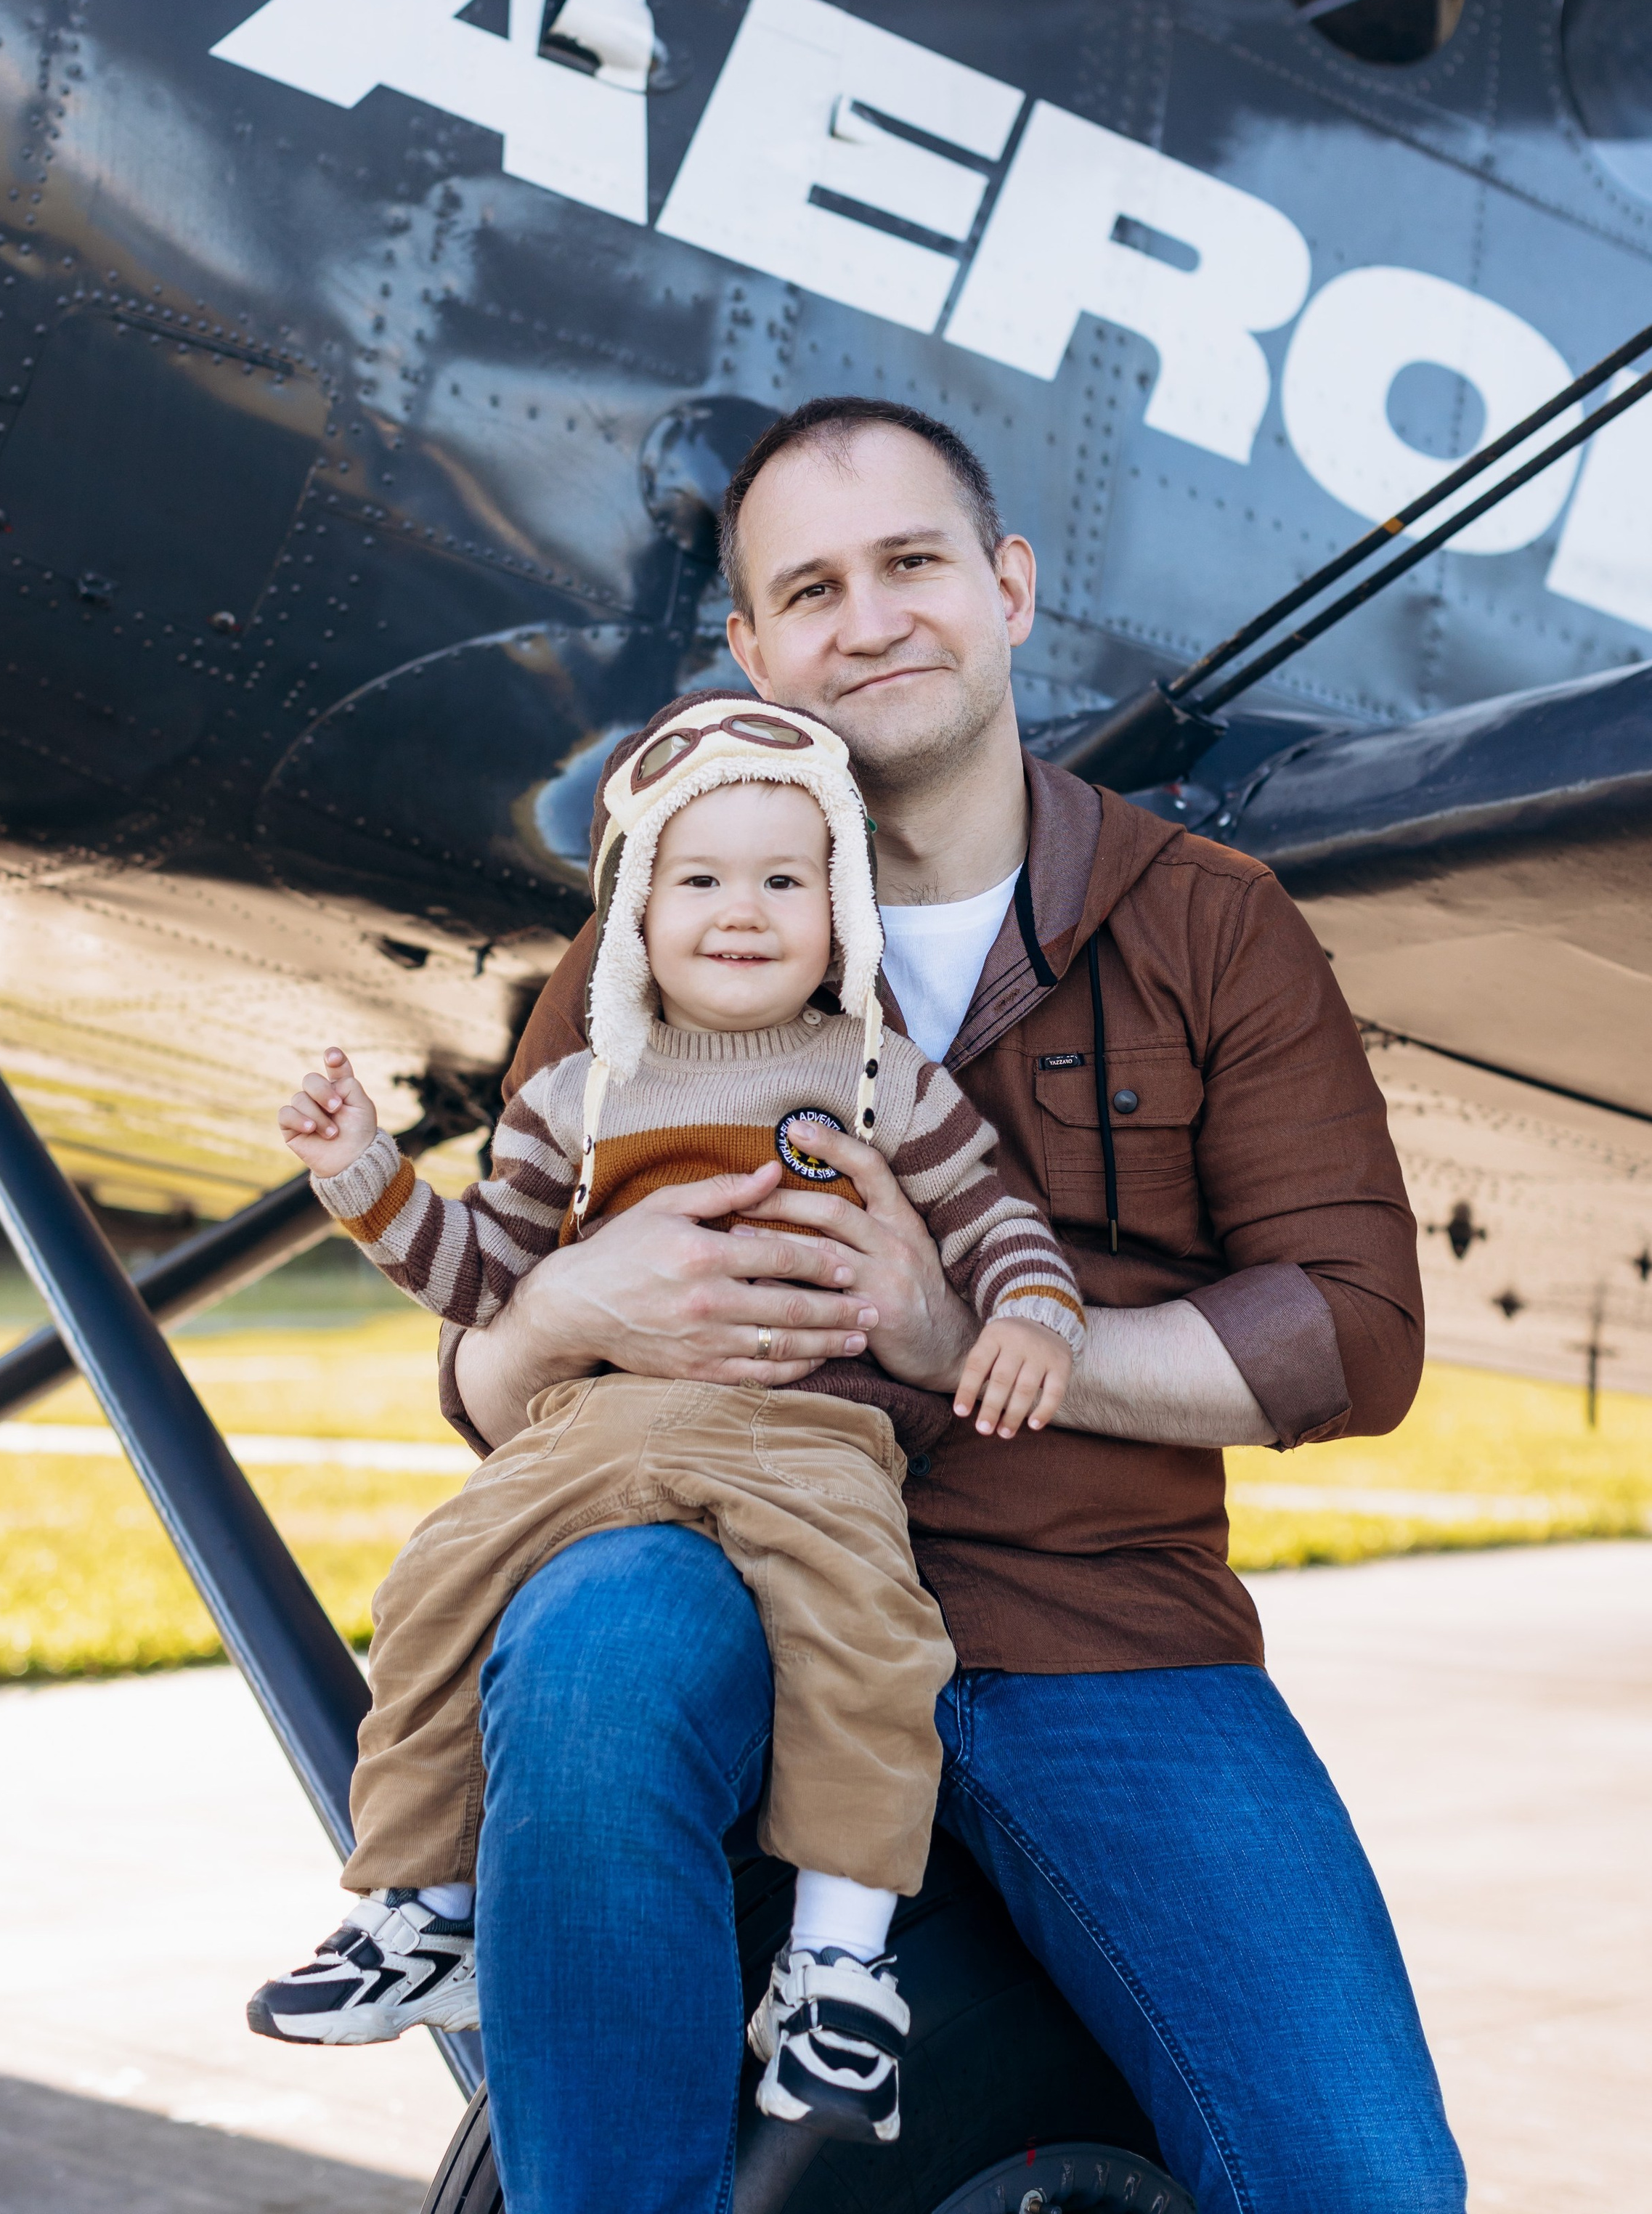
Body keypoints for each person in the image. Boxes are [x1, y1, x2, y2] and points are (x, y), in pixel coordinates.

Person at [423, 396, 1467, 2214]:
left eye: (910, 564)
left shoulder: (1213, 919)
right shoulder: (650, 929)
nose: (869, 619)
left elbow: (1355, 1328)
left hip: (1096, 1616)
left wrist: (976, 1344)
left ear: (1006, 588)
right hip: (717, 1552)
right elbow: (484, 1376)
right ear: (748, 650)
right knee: (587, 1653)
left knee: (1362, 2179)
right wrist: (561, 1301)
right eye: (807, 590)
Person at [249, 704, 1084, 2143]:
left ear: (843, 911)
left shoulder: (875, 1076)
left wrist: (1026, 1317)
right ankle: (426, 1906)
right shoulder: (576, 1097)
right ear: (634, 911)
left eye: (785, 878)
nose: (743, 912)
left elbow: (997, 1221)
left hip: (809, 1438)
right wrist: (364, 1176)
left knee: (867, 1645)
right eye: (698, 880)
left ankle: (836, 1969)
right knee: (434, 1589)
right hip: (597, 1433)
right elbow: (484, 1279)